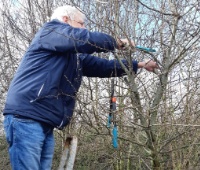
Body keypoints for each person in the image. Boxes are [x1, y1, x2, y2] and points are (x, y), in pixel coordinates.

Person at [3, 5, 158, 170]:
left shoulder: (72, 56)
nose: (84, 28)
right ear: (65, 20)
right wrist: (116, 43)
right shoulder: (50, 32)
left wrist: (139, 64)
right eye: (81, 23)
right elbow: (82, 38)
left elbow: (103, 66)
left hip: (44, 121)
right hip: (27, 115)